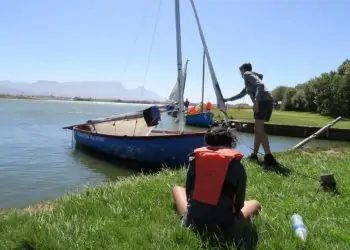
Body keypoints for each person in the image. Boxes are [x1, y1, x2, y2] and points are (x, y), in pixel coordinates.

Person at [172, 124, 261, 245]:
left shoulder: (195, 161)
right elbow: (239, 205)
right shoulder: (237, 166)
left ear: (207, 143)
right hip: (225, 227)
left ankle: (192, 219)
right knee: (255, 204)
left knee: (177, 189)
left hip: (193, 223)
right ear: (230, 144)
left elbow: (188, 195)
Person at [224, 62, 277, 166]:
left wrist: (256, 101)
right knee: (257, 129)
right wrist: (227, 99)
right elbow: (241, 94)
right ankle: (254, 154)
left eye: (240, 72)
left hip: (262, 102)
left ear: (243, 70)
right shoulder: (249, 81)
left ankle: (269, 157)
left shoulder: (247, 74)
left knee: (259, 129)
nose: (240, 74)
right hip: (266, 101)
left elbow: (260, 85)